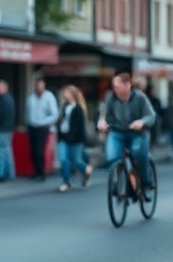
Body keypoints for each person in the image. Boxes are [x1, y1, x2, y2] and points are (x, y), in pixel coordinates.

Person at [97, 70, 157, 200]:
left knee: (139, 155)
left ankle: (145, 185)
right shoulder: (110, 98)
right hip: (117, 132)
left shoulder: (140, 97)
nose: (116, 89)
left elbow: (151, 116)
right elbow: (104, 116)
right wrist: (102, 123)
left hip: (137, 134)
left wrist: (142, 122)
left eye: (119, 86)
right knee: (112, 157)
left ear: (128, 85)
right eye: (114, 86)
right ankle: (120, 182)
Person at [56, 85, 92, 192]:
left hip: (76, 139)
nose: (64, 95)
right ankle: (66, 181)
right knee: (63, 159)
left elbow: (79, 127)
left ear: (72, 95)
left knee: (76, 160)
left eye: (66, 93)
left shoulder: (78, 109)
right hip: (63, 137)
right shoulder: (64, 107)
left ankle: (86, 170)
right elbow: (61, 121)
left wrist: (75, 138)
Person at [26, 77, 59, 181]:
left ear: (44, 86)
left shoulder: (49, 97)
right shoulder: (31, 98)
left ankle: (42, 172)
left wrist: (44, 122)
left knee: (39, 151)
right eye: (37, 86)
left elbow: (54, 114)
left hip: (43, 127)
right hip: (32, 127)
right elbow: (27, 112)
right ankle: (36, 171)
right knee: (32, 151)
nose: (38, 88)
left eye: (40, 86)